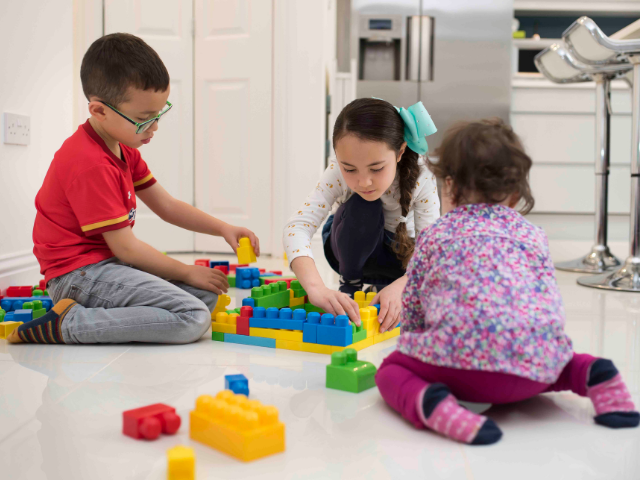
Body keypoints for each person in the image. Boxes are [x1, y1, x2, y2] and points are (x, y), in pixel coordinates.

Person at [375, 119, 639, 444]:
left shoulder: (435, 235)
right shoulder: (534, 236)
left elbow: (413, 307)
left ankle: (433, 406)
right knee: (563, 362)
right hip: (534, 372)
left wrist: (418, 346)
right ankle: (598, 375)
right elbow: (547, 299)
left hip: (461, 373)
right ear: (514, 194)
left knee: (390, 370)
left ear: (450, 187)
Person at [8, 33, 259, 345]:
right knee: (192, 317)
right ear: (99, 111)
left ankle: (106, 315)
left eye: (158, 115)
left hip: (106, 268)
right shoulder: (89, 163)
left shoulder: (123, 149)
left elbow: (166, 206)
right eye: (143, 119)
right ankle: (69, 323)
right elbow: (126, 248)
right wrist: (184, 270)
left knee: (204, 297)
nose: (153, 128)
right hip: (77, 276)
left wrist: (224, 228)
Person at [284, 98, 440, 331]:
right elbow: (296, 227)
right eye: (349, 169)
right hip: (349, 250)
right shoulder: (336, 171)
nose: (363, 181)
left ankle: (385, 286)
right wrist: (315, 287)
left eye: (377, 168)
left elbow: (432, 248)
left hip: (402, 257)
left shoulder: (423, 176)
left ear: (400, 152)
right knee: (364, 206)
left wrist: (403, 286)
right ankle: (351, 283)